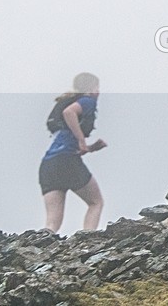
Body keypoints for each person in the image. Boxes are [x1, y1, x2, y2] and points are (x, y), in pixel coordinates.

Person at [39, 72, 107, 233]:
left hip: (48, 165)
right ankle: (87, 239)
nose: (99, 92)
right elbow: (69, 112)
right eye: (98, 87)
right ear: (91, 88)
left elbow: (67, 143)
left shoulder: (70, 103)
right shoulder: (87, 100)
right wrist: (83, 141)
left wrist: (90, 147)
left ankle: (42, 248)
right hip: (67, 161)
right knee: (96, 202)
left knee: (51, 224)